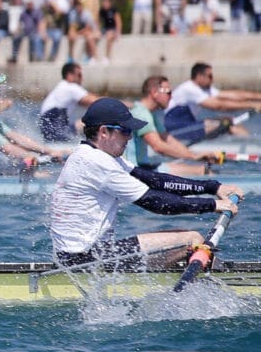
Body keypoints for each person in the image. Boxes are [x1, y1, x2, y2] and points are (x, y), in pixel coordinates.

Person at [49, 97, 241, 270]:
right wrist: (213, 204)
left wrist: (213, 188)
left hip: (83, 255)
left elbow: (156, 181)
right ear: (104, 132)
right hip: (83, 260)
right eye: (125, 131)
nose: (130, 137)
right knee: (192, 239)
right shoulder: (98, 163)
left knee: (185, 238)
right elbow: (155, 203)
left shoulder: (98, 155)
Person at [127, 76, 220, 177]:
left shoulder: (149, 113)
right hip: (134, 171)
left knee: (204, 169)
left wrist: (195, 155)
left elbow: (168, 139)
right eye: (168, 92)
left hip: (143, 166)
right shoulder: (141, 114)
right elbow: (158, 146)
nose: (171, 97)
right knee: (201, 171)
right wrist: (193, 156)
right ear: (154, 92)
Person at [163, 62, 258, 144]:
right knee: (226, 124)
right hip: (176, 128)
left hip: (188, 124)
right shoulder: (189, 89)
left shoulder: (203, 89)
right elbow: (219, 106)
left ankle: (251, 143)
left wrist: (258, 97)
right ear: (199, 76)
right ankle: (253, 146)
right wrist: (253, 105)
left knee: (229, 119)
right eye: (210, 76)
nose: (212, 79)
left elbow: (234, 95)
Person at [38, 63, 102, 141]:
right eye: (79, 75)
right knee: (97, 121)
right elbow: (96, 102)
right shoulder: (70, 87)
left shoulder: (62, 86)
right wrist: (118, 104)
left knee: (86, 122)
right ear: (69, 75)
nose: (82, 78)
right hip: (55, 127)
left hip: (49, 129)